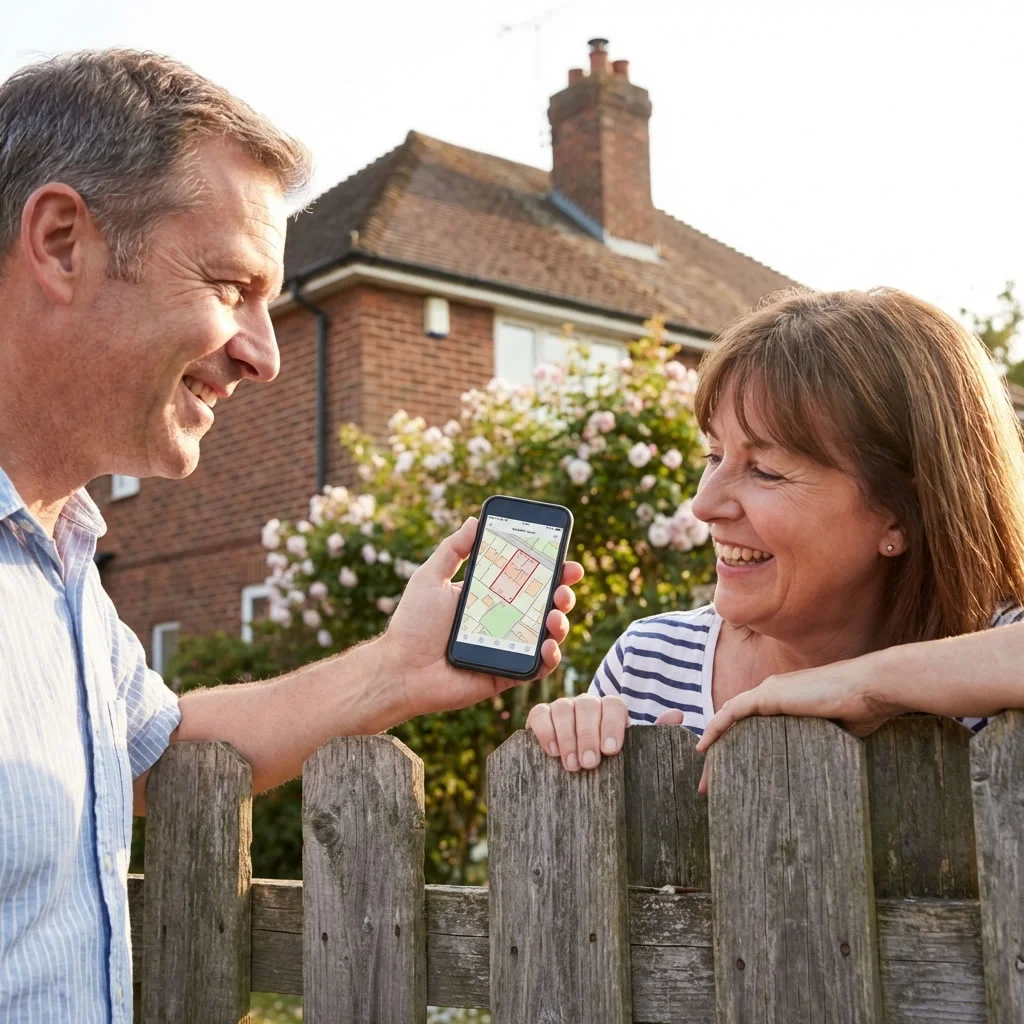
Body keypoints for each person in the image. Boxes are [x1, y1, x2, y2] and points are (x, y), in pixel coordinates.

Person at [0, 50, 582, 1021]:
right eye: (231, 286)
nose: (264, 354)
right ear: (62, 242)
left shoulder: (56, 562)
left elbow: (160, 747)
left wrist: (399, 667)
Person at [528, 288, 1024, 786]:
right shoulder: (649, 664)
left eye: (766, 470)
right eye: (714, 456)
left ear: (900, 515)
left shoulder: (996, 665)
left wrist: (866, 686)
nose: (703, 506)